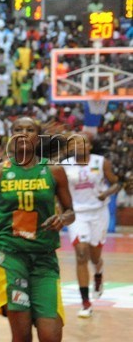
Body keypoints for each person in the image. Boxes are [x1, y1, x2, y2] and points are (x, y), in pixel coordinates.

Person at [0, 117, 75, 342]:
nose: (23, 133)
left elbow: (70, 211)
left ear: (38, 137)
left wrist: (62, 219)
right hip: (11, 256)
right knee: (22, 336)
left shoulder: (53, 171)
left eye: (30, 129)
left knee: (50, 336)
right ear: (11, 135)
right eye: (18, 129)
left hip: (44, 259)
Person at [60, 133, 121, 318]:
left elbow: (117, 183)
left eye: (82, 142)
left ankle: (99, 272)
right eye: (75, 143)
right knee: (81, 254)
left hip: (98, 213)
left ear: (90, 146)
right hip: (77, 214)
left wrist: (107, 193)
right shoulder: (64, 165)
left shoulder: (101, 162)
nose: (78, 145)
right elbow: (59, 190)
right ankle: (86, 303)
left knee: (95, 257)